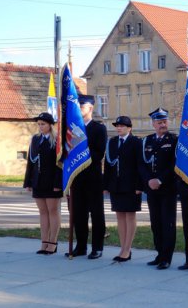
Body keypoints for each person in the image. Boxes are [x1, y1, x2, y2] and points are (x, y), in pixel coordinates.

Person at [65, 95, 107, 259]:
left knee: (96, 214)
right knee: (78, 214)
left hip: (93, 177)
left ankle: (97, 247)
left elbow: (99, 152)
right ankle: (80, 246)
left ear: (90, 108)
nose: (79, 109)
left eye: (81, 107)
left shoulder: (98, 128)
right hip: (76, 177)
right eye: (77, 106)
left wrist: (82, 157)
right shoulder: (73, 128)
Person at [139, 108, 178, 270]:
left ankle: (166, 257)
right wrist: (149, 180)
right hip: (152, 189)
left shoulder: (174, 140)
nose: (163, 124)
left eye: (165, 121)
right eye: (159, 122)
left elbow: (174, 164)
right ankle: (159, 253)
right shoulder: (146, 141)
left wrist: (160, 179)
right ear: (153, 124)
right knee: (155, 222)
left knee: (167, 223)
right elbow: (142, 164)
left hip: (167, 188)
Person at [103, 116, 142, 262]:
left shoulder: (136, 142)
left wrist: (139, 185)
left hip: (131, 185)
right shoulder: (112, 142)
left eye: (122, 126)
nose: (118, 128)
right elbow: (108, 164)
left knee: (130, 215)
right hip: (116, 185)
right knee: (120, 215)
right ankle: (122, 247)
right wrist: (106, 184)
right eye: (117, 126)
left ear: (129, 128)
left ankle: (127, 248)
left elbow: (140, 165)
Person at [23, 112, 63, 255]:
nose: (40, 127)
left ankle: (53, 242)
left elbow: (60, 164)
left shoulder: (57, 140)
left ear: (50, 125)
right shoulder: (35, 139)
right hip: (38, 181)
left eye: (43, 124)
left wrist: (58, 183)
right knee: (42, 212)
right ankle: (44, 242)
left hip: (52, 182)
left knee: (53, 211)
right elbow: (31, 162)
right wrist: (28, 181)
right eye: (39, 124)